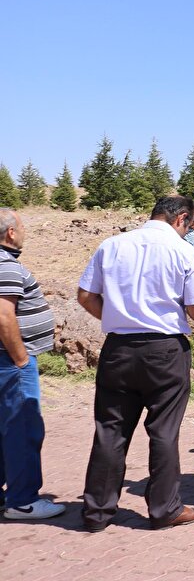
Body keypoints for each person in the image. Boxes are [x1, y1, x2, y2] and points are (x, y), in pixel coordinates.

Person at [77, 196, 194, 531]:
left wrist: (116, 317)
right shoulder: (184, 252)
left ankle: (96, 513)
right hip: (165, 349)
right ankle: (164, 509)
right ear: (182, 218)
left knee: (110, 429)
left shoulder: (112, 245)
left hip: (119, 347)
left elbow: (85, 296)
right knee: (163, 431)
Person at [0, 208, 64, 519]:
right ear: (10, 232)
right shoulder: (6, 266)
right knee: (23, 428)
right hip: (11, 361)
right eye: (22, 226)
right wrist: (22, 359)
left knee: (6, 428)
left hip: (6, 360)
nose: (25, 231)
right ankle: (22, 501)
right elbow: (3, 316)